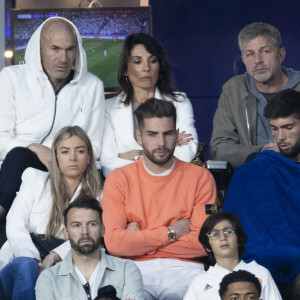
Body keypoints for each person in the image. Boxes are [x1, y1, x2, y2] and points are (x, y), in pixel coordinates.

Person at [102, 98, 217, 300]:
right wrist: (171, 232)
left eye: (168, 133)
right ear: (139, 137)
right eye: (152, 134)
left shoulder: (200, 177)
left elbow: (204, 243)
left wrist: (139, 240)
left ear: (176, 134)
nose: (161, 143)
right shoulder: (119, 179)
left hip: (186, 268)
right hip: (133, 268)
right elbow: (114, 244)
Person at [0, 17, 105, 220]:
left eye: (69, 49)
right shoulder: (10, 78)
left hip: (67, 166)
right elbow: (1, 139)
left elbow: (95, 145)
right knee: (18, 156)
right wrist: (33, 148)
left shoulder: (93, 86)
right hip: (14, 165)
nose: (63, 58)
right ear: (39, 49)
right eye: (55, 49)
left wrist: (59, 156)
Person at [0, 126, 101, 300]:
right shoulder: (34, 178)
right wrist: (32, 260)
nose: (72, 158)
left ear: (89, 156)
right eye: (65, 151)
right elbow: (15, 221)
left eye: (80, 151)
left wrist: (53, 257)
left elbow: (94, 237)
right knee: (26, 268)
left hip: (64, 264)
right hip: (21, 259)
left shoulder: (99, 194)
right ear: (55, 156)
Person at [223, 89, 300, 298]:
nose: (281, 137)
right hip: (261, 265)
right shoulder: (258, 167)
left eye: (288, 127)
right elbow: (234, 226)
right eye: (274, 129)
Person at [101, 33, 198, 177]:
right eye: (137, 61)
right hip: (127, 188)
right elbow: (108, 164)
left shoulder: (180, 102)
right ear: (126, 69)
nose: (146, 68)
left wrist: (134, 156)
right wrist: (164, 152)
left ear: (160, 66)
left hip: (170, 184)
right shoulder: (108, 108)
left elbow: (187, 151)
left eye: (152, 60)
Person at [210, 22, 300, 169]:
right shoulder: (233, 90)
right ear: (244, 60)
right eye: (250, 54)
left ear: (281, 54)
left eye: (265, 51)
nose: (258, 60)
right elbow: (220, 147)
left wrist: (287, 153)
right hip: (254, 176)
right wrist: (260, 152)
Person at [35, 196, 143, 300]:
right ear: (66, 233)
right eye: (76, 225)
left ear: (102, 229)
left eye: (92, 224)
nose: (85, 232)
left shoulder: (127, 270)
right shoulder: (48, 279)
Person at [184, 212, 281, 300]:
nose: (222, 237)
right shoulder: (200, 282)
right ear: (208, 246)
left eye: (228, 232)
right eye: (214, 234)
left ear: (238, 239)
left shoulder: (260, 272)